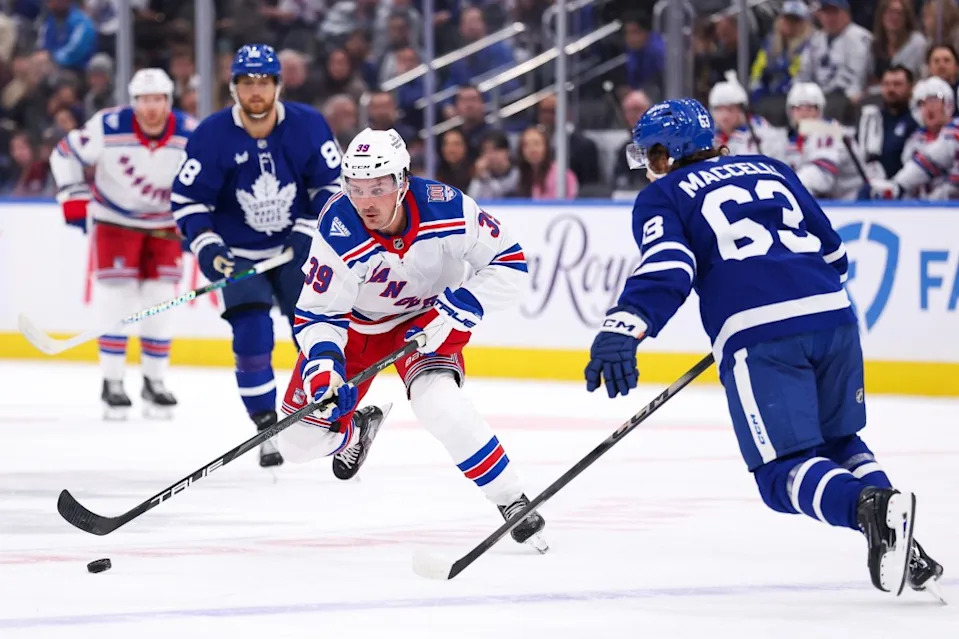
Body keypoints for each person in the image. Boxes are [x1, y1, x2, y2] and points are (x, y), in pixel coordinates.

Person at [583, 98, 944, 601]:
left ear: (669, 152)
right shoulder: (772, 168)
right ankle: (904, 544)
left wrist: (625, 327)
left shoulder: (663, 195)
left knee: (781, 474)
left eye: (652, 153)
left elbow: (669, 267)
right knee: (840, 443)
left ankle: (873, 511)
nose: (648, 165)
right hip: (835, 316)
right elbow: (835, 253)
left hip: (763, 335)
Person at [276, 127, 548, 553]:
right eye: (356, 187)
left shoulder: (449, 207)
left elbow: (510, 263)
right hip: (356, 331)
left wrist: (465, 304)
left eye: (379, 187)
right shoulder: (338, 225)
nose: (366, 201)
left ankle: (512, 499)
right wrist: (325, 371)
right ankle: (356, 432)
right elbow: (318, 313)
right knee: (293, 445)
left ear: (402, 181)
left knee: (440, 404)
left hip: (427, 322)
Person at [171, 44, 342, 468]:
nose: (256, 91)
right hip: (239, 255)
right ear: (233, 88)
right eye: (247, 82)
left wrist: (308, 229)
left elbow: (332, 187)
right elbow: (188, 200)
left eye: (264, 81)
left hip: (296, 251)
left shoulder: (308, 125)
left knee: (315, 329)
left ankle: (330, 413)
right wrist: (207, 245)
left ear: (278, 85)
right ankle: (267, 425)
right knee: (251, 335)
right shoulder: (212, 134)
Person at [49, 68, 195, 420]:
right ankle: (112, 383)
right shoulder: (109, 125)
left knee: (161, 301)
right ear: (134, 103)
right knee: (116, 299)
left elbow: (209, 174)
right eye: (144, 100)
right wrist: (73, 194)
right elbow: (64, 154)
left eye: (158, 99)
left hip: (165, 226)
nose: (151, 108)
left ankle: (154, 382)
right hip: (116, 223)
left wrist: (200, 218)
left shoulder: (191, 132)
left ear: (168, 101)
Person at [870, 76, 959, 200]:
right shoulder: (915, 140)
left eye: (934, 100)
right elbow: (923, 167)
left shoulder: (954, 131)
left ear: (948, 104)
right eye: (923, 102)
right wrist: (896, 186)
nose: (929, 107)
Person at [783, 82, 865, 200]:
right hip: (830, 203)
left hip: (854, 203)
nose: (804, 113)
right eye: (798, 108)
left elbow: (821, 178)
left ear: (819, 111)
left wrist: (785, 187)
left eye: (810, 107)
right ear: (790, 112)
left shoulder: (830, 131)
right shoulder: (793, 139)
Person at [708, 75, 788, 161]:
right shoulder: (709, 135)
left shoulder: (762, 132)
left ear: (741, 109)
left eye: (730, 109)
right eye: (719, 110)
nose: (724, 115)